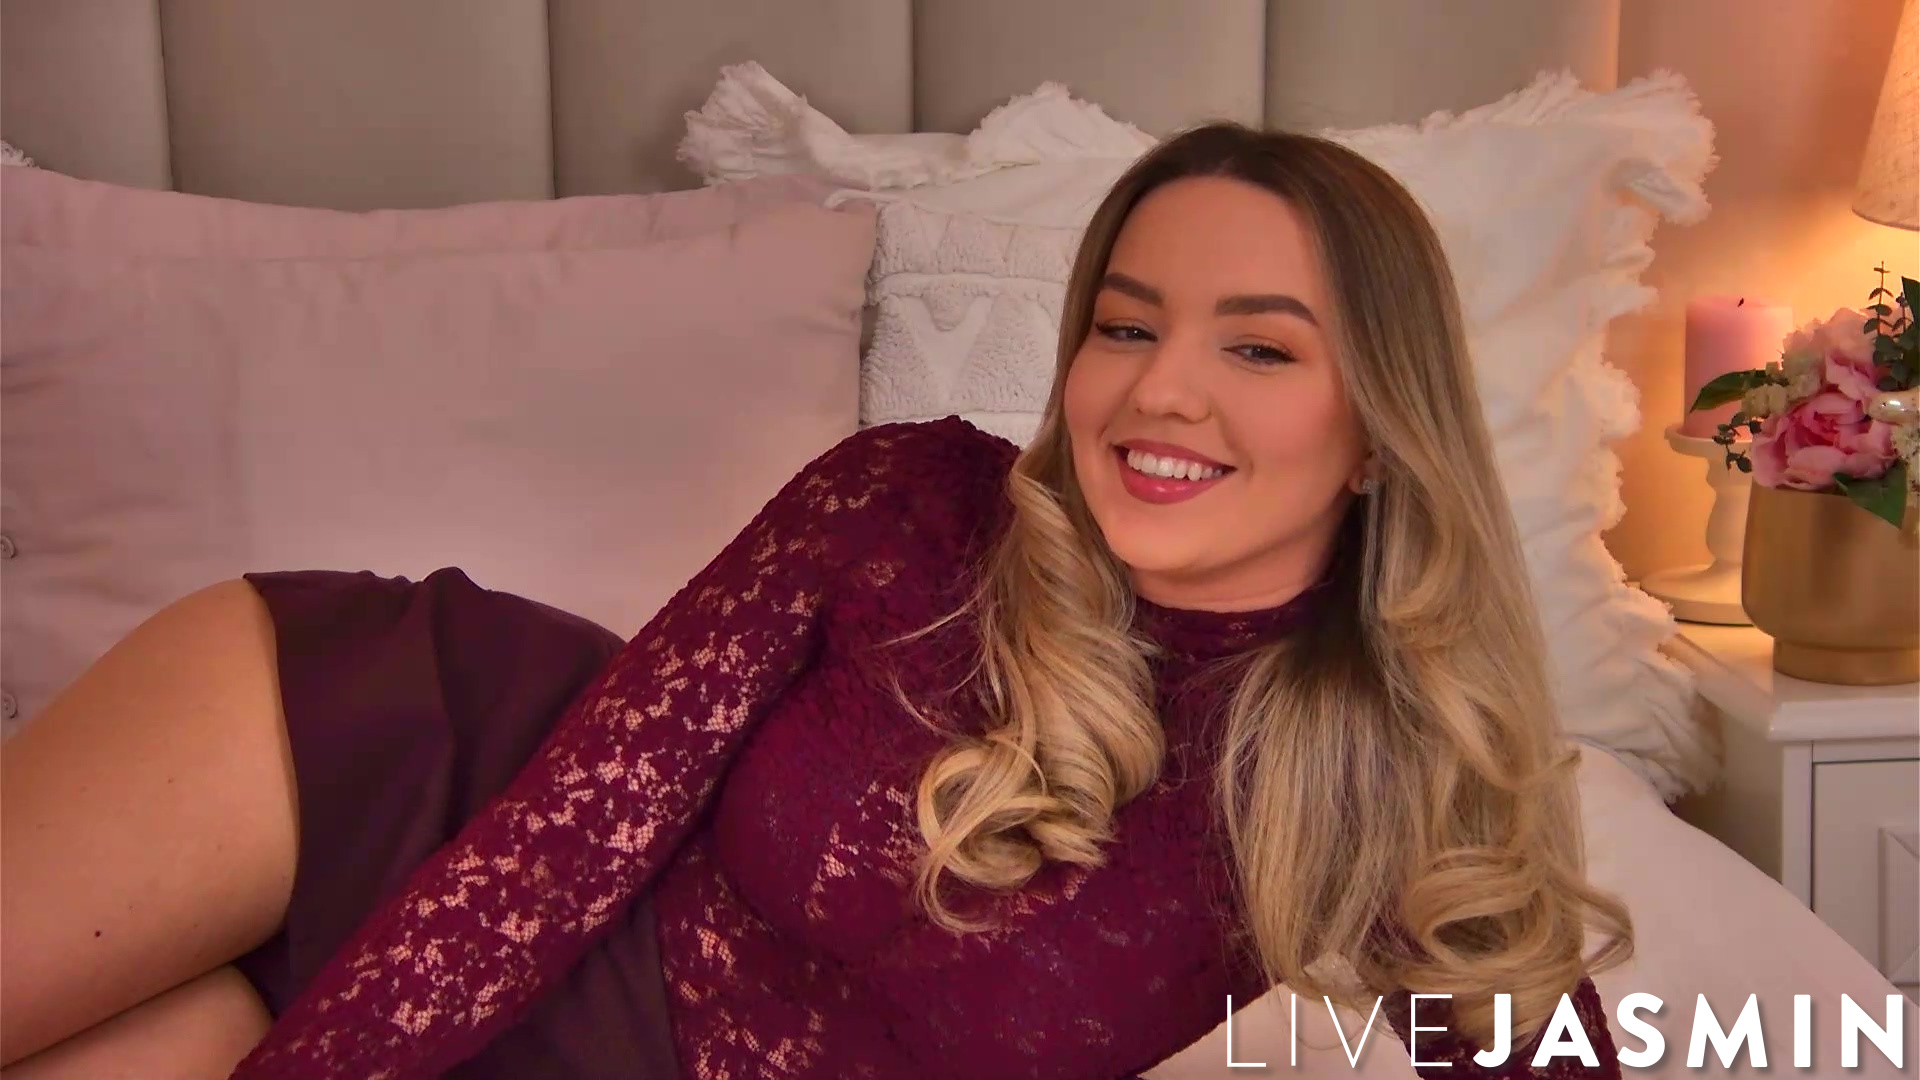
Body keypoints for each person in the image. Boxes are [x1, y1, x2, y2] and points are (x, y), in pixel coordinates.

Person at [0, 123, 1632, 1080]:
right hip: (394, 775)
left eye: (1259, 347)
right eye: (1126, 326)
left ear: (1381, 428)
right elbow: (563, 842)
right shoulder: (911, 504)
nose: (1160, 394)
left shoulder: (1384, 797)